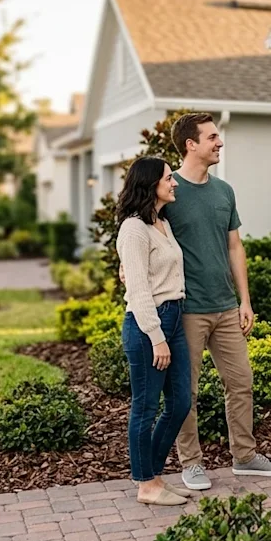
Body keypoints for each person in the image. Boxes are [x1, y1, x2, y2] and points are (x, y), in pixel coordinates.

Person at [163, 111, 271, 489]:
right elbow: (141, 235)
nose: (220, 142)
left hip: (225, 306)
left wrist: (245, 301)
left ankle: (245, 456)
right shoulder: (168, 191)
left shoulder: (224, 191)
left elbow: (235, 246)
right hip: (186, 309)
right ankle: (191, 463)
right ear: (191, 144)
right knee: (186, 391)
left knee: (241, 382)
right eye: (212, 137)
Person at [116, 156, 194, 505]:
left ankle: (155, 476)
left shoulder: (161, 223)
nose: (174, 182)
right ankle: (146, 485)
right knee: (145, 408)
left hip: (174, 317)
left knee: (179, 403)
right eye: (167, 178)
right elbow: (139, 290)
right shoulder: (133, 228)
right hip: (150, 325)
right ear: (150, 184)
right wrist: (156, 336)